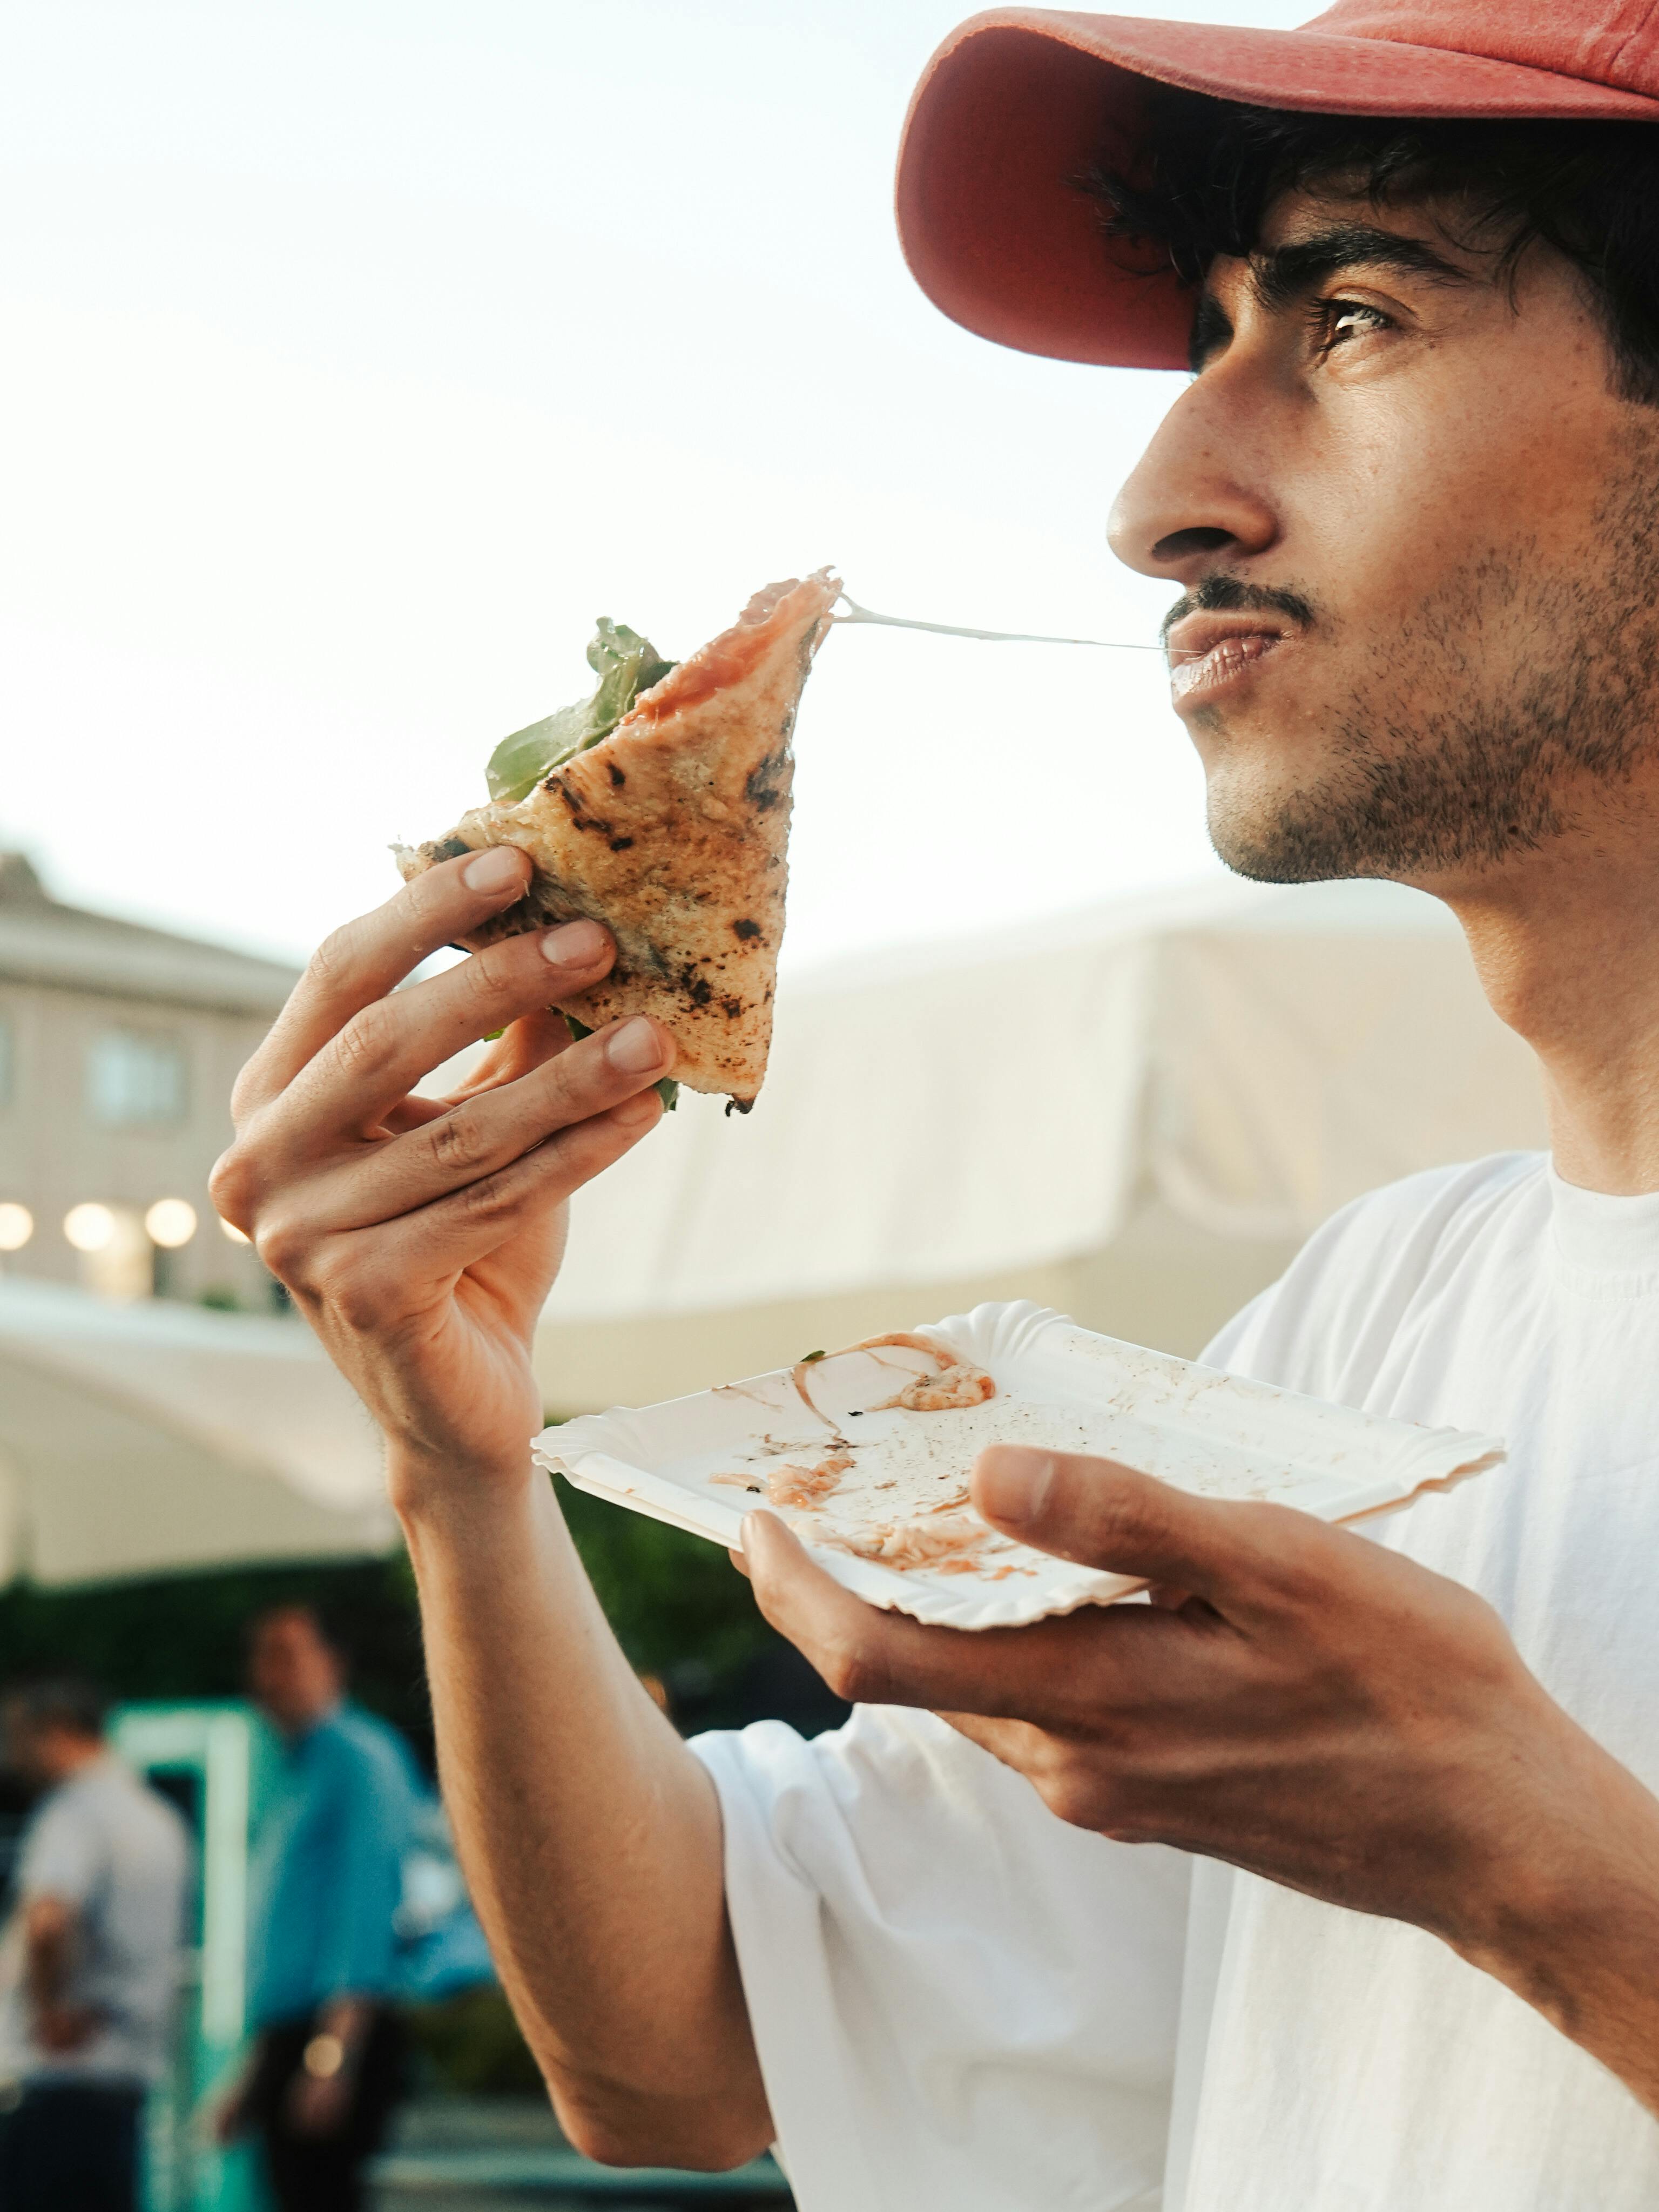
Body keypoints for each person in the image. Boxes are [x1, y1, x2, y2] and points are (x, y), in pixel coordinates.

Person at [208, 1, 1659, 2204]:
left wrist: (1538, 1863)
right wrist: (456, 1460)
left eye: (1353, 317)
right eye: (1208, 332)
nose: (1159, 501)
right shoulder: (1377, 1324)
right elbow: (690, 2036)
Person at [215, 1604, 423, 2212]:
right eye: (261, 1655)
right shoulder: (291, 1767)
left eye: (286, 1654)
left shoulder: (359, 1757)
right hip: (294, 2035)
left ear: (333, 1663)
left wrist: (333, 2054)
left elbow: (365, 1911)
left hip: (336, 2033)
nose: (267, 1673)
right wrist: (252, 2075)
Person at [0, 1679, 190, 2212]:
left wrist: (47, 2008)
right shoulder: (160, 1820)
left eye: (18, 1738)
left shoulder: (73, 1813)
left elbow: (47, 1920)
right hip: (122, 2089)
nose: (13, 1758)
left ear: (55, 1731)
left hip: (56, 2086)